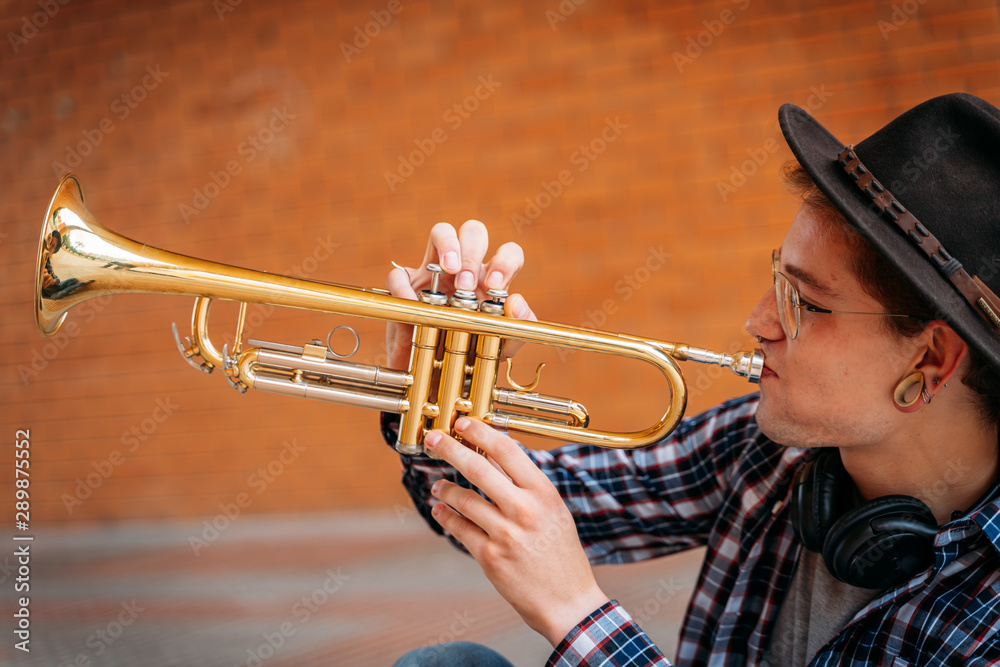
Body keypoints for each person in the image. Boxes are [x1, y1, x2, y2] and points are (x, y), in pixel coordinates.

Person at [381, 93, 1000, 665]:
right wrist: (440, 385)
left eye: (805, 303)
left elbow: (571, 603)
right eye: (778, 279)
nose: (757, 322)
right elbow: (495, 511)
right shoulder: (769, 450)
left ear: (930, 362)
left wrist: (577, 614)